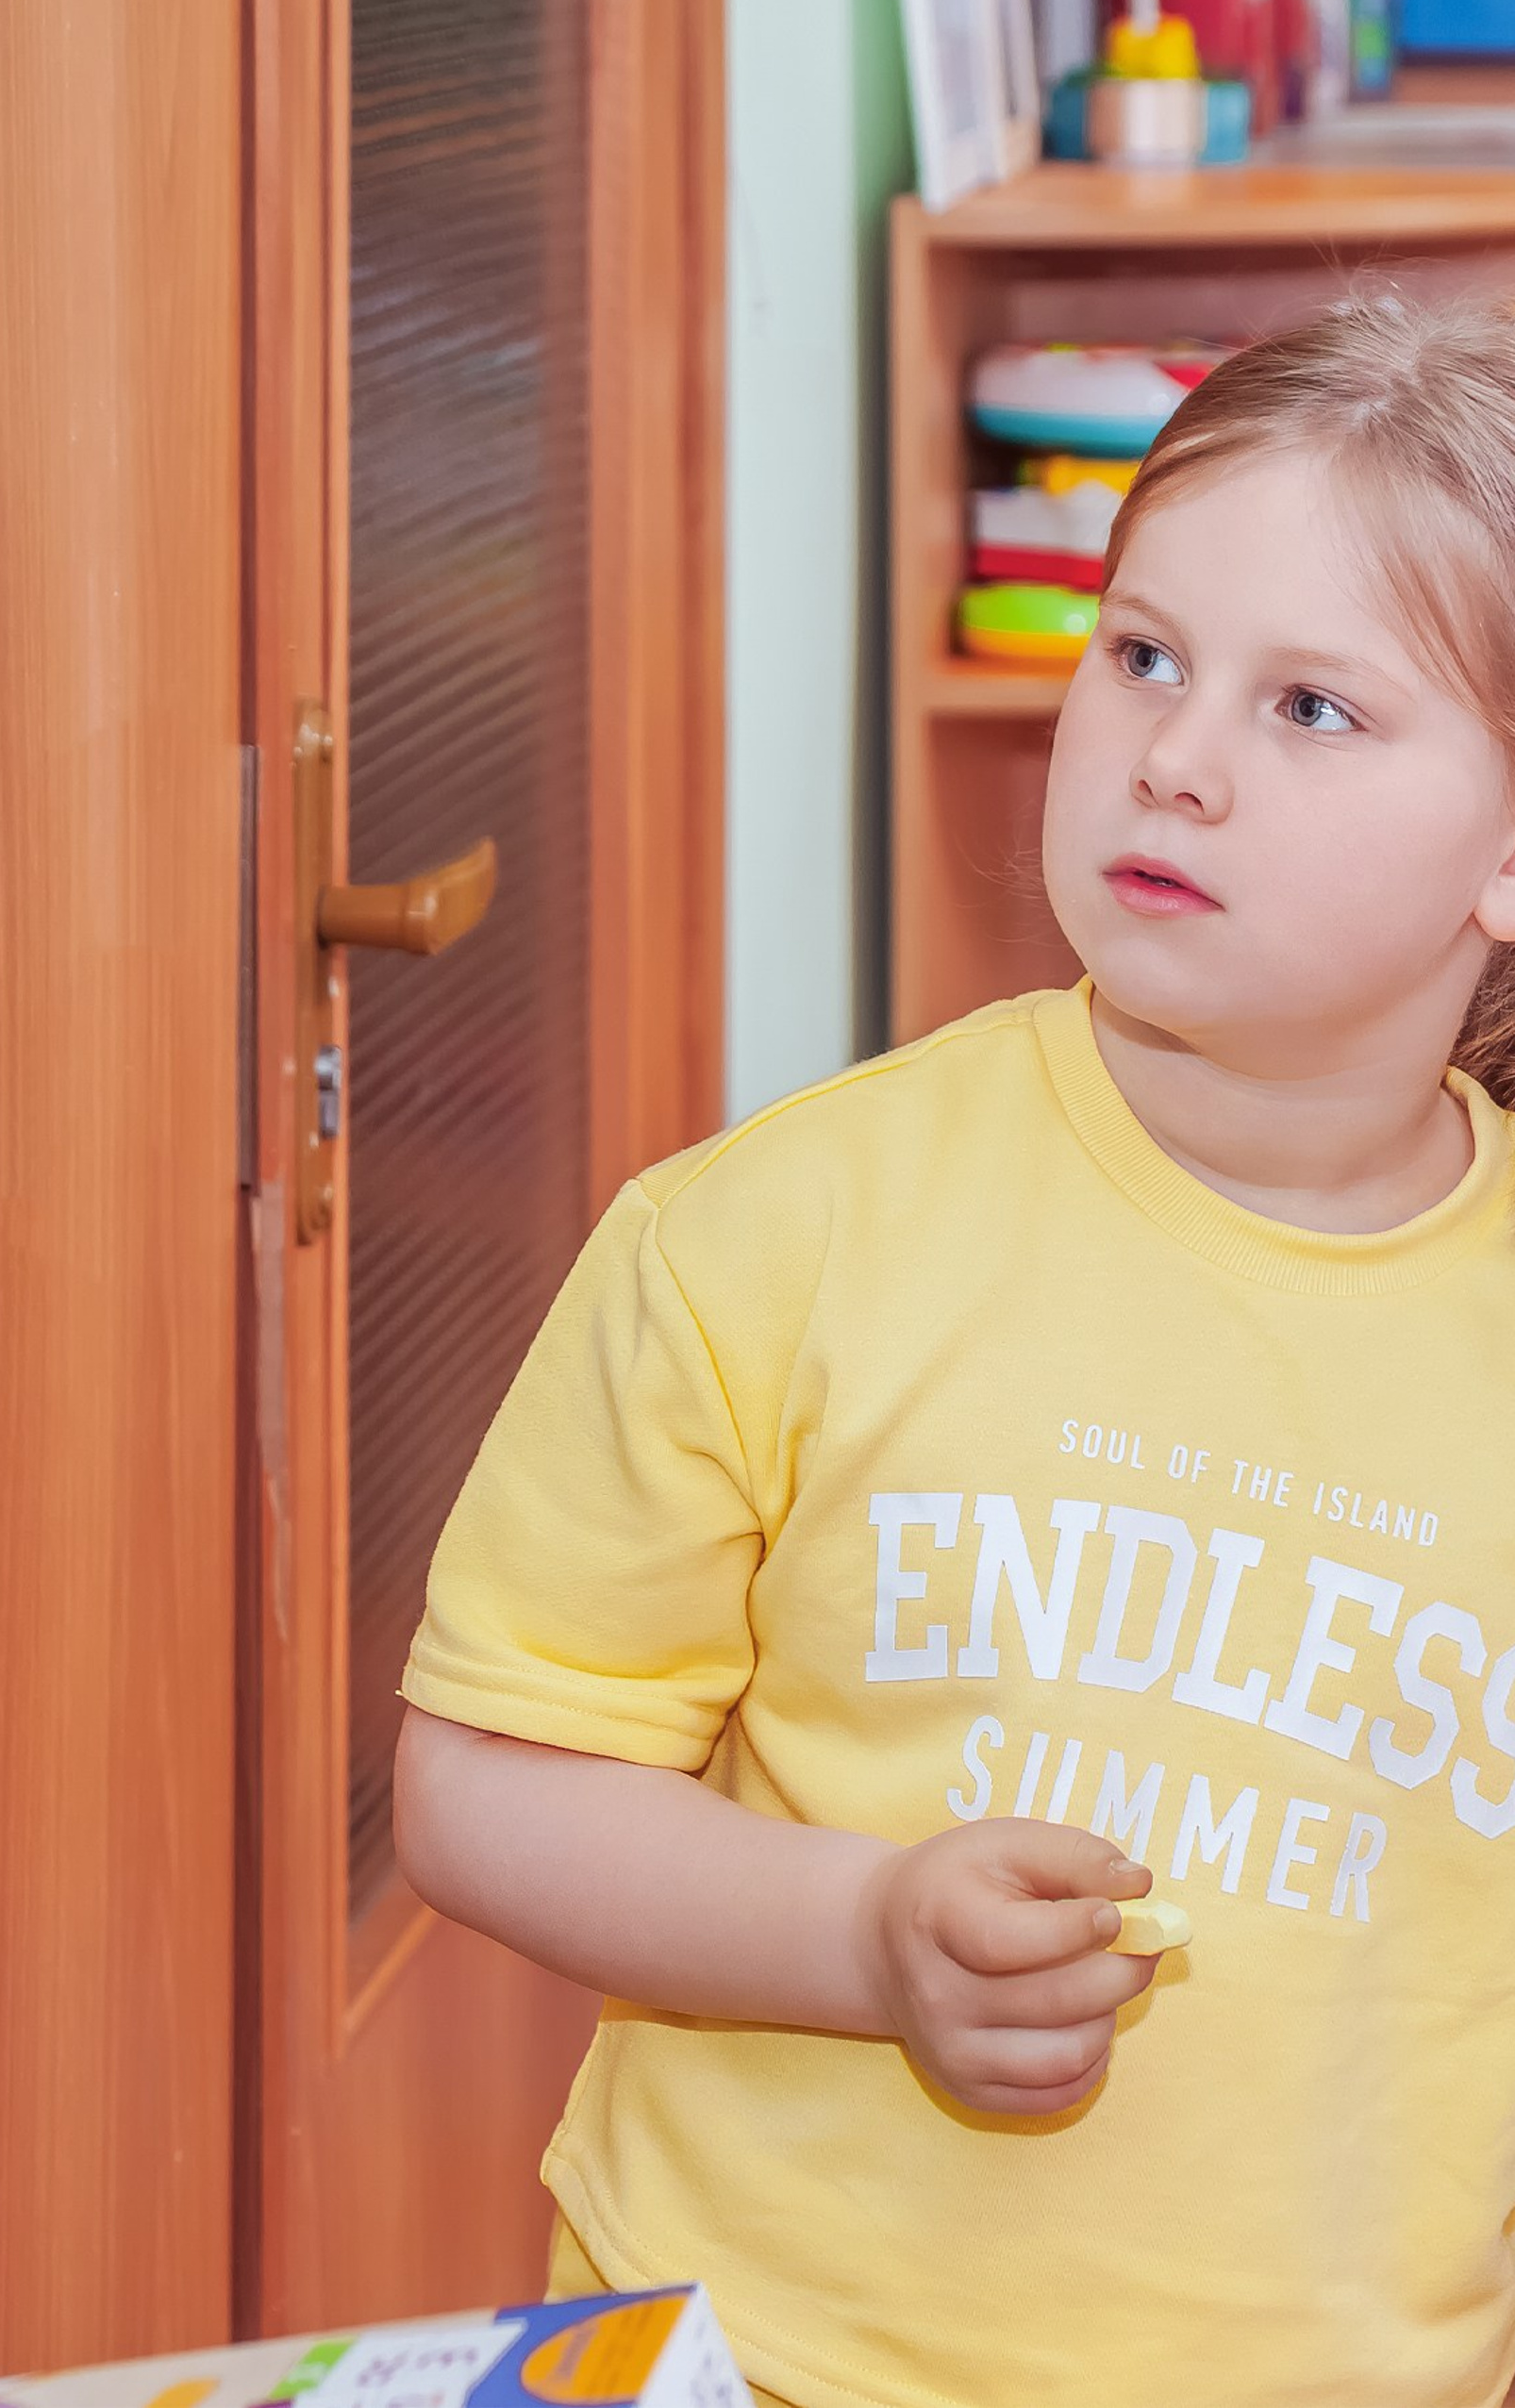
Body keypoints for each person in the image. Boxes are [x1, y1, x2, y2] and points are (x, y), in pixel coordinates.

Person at [394, 296, 1515, 2407]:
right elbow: (483, 1782)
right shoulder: (773, 1231)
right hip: (754, 2355)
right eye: (1142, 652)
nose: (1174, 754)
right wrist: (862, 1933)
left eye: (1311, 706)